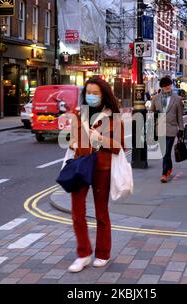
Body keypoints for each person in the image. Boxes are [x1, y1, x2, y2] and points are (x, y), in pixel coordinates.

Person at [67, 77, 125, 273]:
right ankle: (83, 254)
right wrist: (74, 143)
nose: (90, 96)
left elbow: (119, 146)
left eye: (95, 93)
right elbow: (72, 139)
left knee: (101, 212)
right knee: (77, 212)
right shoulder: (78, 114)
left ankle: (103, 253)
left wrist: (100, 138)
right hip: (80, 167)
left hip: (102, 168)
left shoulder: (112, 117)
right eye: (88, 93)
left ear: (104, 95)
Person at [149, 76, 185, 183]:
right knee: (164, 152)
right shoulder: (155, 98)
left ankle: (164, 174)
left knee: (166, 151)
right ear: (162, 87)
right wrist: (154, 115)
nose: (168, 87)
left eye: (169, 85)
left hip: (172, 128)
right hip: (159, 128)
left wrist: (181, 129)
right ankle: (169, 166)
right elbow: (151, 112)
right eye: (166, 86)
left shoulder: (177, 99)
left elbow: (180, 116)